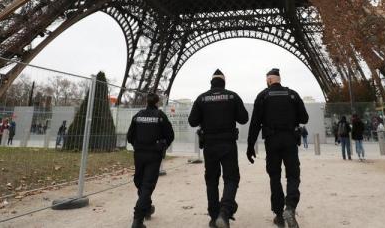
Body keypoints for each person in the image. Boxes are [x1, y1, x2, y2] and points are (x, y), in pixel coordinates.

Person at [247, 68, 309, 228]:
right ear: (279, 79)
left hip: (272, 141)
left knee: (274, 177)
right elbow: (304, 118)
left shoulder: (263, 96)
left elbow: (255, 124)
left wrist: (250, 145)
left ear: (268, 80)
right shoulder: (292, 94)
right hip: (290, 139)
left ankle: (279, 215)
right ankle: (290, 207)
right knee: (293, 175)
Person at [188, 69, 249, 228]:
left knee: (211, 180)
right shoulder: (232, 96)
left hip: (209, 145)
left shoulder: (201, 98)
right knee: (231, 178)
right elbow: (243, 119)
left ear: (211, 83)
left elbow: (192, 121)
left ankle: (214, 216)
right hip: (228, 144)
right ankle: (225, 211)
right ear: (224, 83)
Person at [127, 93, 174, 228]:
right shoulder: (160, 116)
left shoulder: (138, 116)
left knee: (140, 182)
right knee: (147, 185)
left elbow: (130, 136)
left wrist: (137, 144)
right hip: (154, 154)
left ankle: (145, 209)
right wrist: (163, 145)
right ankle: (138, 218)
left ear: (146, 101)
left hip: (139, 153)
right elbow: (170, 135)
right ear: (157, 102)